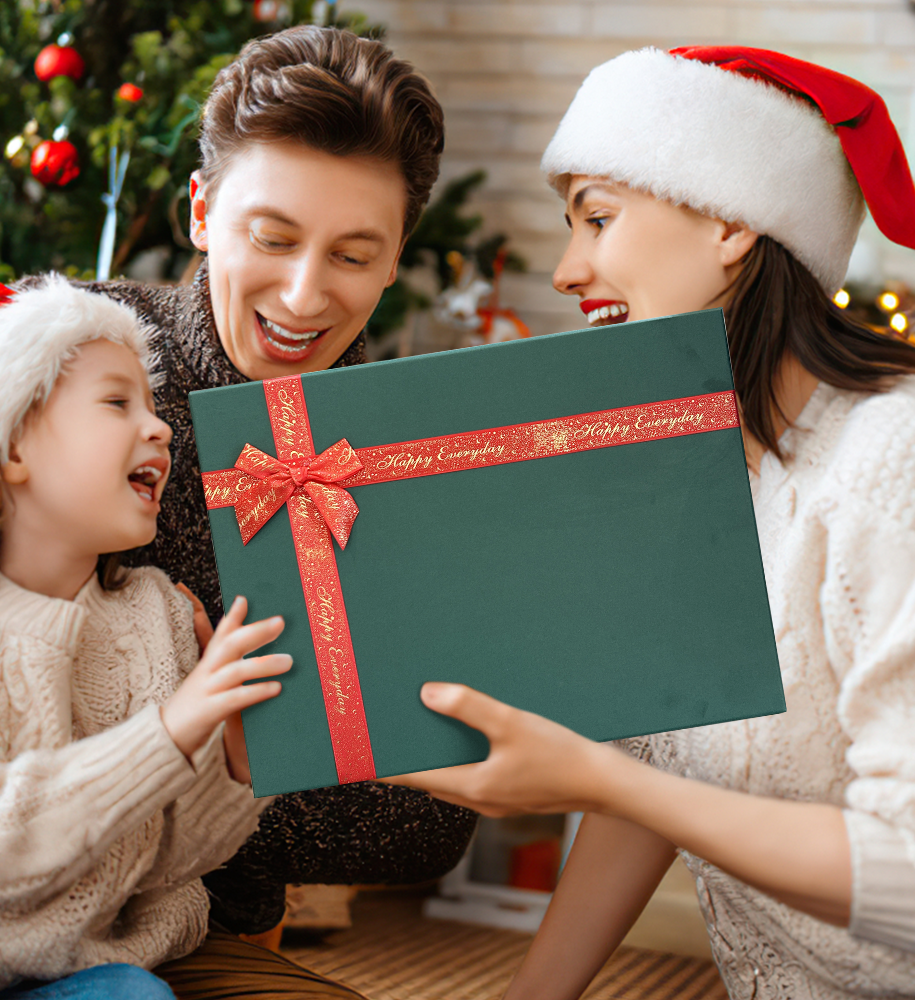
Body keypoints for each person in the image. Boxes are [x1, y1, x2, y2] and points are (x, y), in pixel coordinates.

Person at [387, 46, 915, 1000]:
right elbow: (655, 772)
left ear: (728, 221)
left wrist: (594, 779)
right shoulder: (683, 471)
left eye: (598, 217)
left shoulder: (891, 462)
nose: (567, 268)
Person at [64, 24, 476, 940]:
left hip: (204, 937)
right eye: (273, 237)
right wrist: (246, 762)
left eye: (353, 255)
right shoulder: (71, 353)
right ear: (204, 212)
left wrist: (209, 768)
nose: (302, 296)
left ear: (398, 256)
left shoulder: (408, 461)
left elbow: (427, 822)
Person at [0, 276, 366, 1000]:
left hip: (78, 973)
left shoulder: (151, 616)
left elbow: (163, 864)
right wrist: (169, 731)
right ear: (9, 449)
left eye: (153, 408)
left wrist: (234, 767)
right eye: (117, 403)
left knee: (135, 995)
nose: (159, 428)